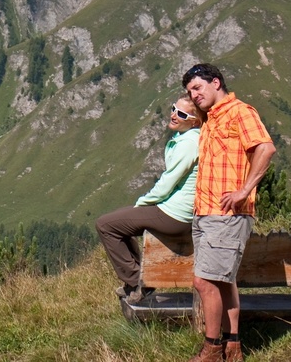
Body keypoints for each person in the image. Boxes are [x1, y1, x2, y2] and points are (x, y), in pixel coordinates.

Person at [182, 63, 275, 362]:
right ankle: (232, 346)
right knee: (223, 280)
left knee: (204, 282)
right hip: (206, 211)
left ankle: (211, 348)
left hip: (227, 213)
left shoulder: (240, 111)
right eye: (189, 91)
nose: (194, 95)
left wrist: (244, 191)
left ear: (216, 82)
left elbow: (265, 148)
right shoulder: (209, 120)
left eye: (198, 88)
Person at [96, 94, 204, 304]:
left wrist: (144, 202)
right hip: (180, 210)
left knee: (105, 225)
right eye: (173, 108)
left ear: (194, 120)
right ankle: (139, 278)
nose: (173, 115)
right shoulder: (189, 138)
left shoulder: (189, 143)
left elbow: (168, 181)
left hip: (176, 214)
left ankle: (138, 282)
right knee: (119, 220)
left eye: (181, 114)